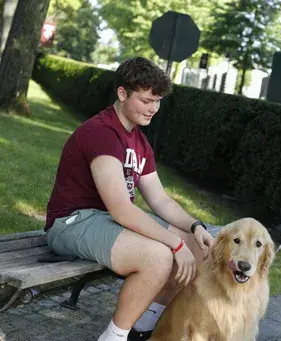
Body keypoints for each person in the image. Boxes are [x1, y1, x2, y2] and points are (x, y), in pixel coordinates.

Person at [44, 57, 215, 341]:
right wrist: (173, 244)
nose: (154, 109)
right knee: (158, 256)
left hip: (105, 221)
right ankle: (115, 337)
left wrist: (196, 226)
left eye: (158, 101)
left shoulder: (139, 142)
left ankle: (144, 327)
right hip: (72, 223)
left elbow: (160, 200)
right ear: (122, 93)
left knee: (195, 245)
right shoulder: (102, 133)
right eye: (147, 100)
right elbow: (122, 209)